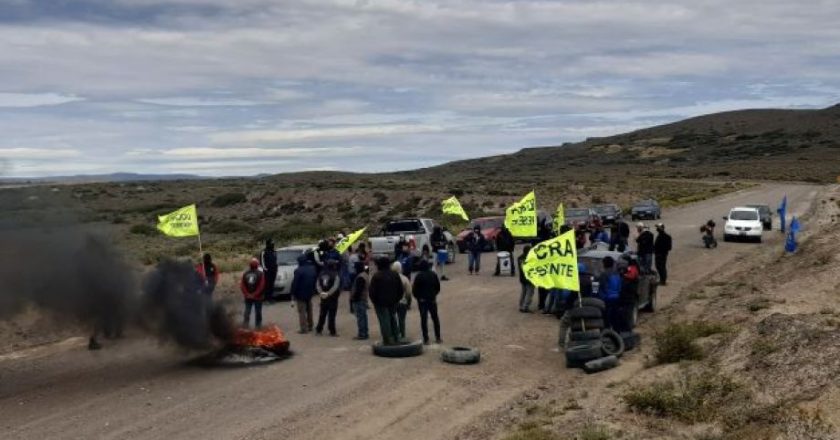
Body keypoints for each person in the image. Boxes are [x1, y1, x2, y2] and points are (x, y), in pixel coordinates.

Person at [369, 257, 403, 345]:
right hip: (393, 302)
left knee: (384, 322)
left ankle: (387, 340)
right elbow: (400, 290)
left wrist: (375, 302)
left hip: (380, 303)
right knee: (393, 320)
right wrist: (396, 300)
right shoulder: (395, 275)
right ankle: (396, 337)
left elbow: (372, 292)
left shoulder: (377, 276)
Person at [558, 263, 594, 347]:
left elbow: (565, 294)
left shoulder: (573, 280)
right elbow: (593, 293)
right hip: (585, 307)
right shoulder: (589, 280)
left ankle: (561, 342)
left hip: (572, 306)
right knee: (577, 325)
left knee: (564, 324)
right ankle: (576, 342)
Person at [412, 260, 442, 344]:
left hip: (422, 301)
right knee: (435, 318)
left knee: (424, 319)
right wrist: (433, 295)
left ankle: (426, 339)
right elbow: (438, 288)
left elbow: (414, 290)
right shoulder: (433, 275)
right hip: (432, 299)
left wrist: (418, 298)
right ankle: (438, 337)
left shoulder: (419, 276)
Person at [290, 252, 318, 333]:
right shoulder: (312, 268)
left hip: (300, 293)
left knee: (302, 311)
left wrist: (293, 293)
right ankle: (310, 325)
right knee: (309, 309)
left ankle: (304, 328)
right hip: (310, 292)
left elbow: (295, 283)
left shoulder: (298, 271)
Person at [315, 260, 341, 336]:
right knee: (332, 315)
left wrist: (321, 293)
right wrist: (328, 293)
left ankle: (319, 330)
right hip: (332, 298)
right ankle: (332, 331)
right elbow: (335, 286)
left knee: (322, 314)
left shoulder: (321, 274)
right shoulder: (335, 274)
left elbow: (317, 284)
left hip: (323, 297)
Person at [597, 256, 622, 331]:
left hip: (606, 300)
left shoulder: (603, 274)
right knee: (615, 320)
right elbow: (620, 287)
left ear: (604, 264)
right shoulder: (617, 274)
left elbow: (600, 287)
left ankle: (606, 334)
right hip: (616, 298)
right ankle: (617, 335)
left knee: (605, 320)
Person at [240, 257, 266, 328]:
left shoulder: (245, 273)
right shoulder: (260, 274)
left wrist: (247, 294)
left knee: (247, 312)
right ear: (257, 265)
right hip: (257, 297)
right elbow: (261, 286)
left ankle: (246, 326)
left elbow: (242, 285)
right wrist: (253, 294)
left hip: (249, 297)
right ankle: (258, 326)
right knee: (257, 312)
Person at [618, 256, 640, 332]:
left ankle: (627, 330)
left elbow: (631, 276)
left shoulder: (632, 268)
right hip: (626, 295)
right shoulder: (628, 268)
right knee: (625, 313)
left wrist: (623, 275)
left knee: (627, 314)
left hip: (629, 296)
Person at [391, 261, 413, 340]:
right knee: (402, 320)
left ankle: (394, 335)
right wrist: (408, 301)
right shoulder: (404, 278)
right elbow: (409, 292)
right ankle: (403, 335)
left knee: (393, 319)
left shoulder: (390, 278)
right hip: (402, 302)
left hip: (392, 302)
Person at [349, 261, 370, 340]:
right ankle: (365, 332)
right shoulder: (365, 275)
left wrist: (354, 298)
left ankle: (362, 334)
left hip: (359, 299)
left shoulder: (360, 277)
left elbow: (358, 290)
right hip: (363, 299)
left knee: (360, 317)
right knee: (363, 317)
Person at [517, 245, 535, 312]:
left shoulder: (520, 258)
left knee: (523, 292)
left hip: (522, 278)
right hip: (529, 278)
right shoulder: (530, 259)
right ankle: (525, 307)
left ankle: (521, 305)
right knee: (529, 293)